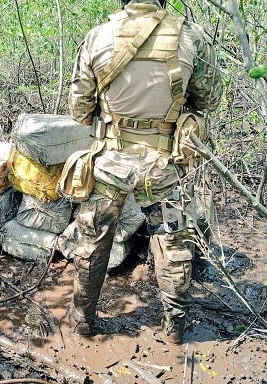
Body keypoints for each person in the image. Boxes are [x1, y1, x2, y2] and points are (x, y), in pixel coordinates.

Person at [67, 0, 222, 344]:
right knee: (174, 243)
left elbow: (79, 108)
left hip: (110, 162)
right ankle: (174, 331)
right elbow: (209, 100)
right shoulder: (191, 36)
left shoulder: (98, 36)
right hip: (164, 166)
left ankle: (82, 322)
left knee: (92, 242)